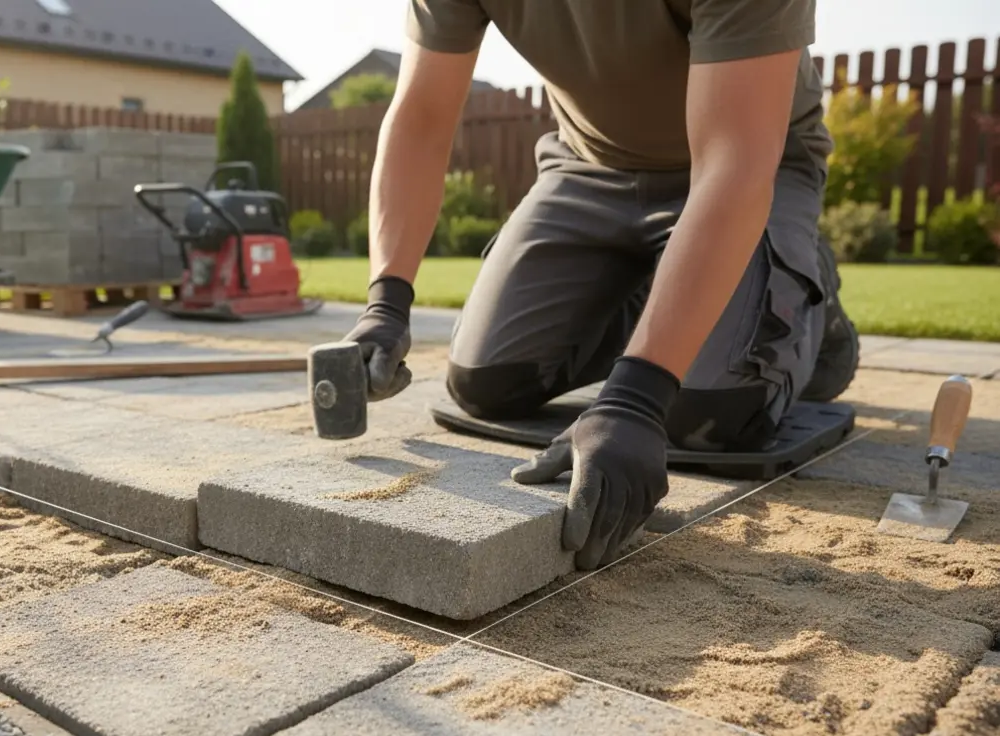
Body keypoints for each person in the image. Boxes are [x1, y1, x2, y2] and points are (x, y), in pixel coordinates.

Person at [340, 0, 859, 571]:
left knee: (705, 414)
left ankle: (802, 287)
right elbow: (420, 119)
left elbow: (733, 160)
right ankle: (672, 294)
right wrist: (386, 300)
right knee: (487, 384)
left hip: (752, 163)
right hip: (588, 169)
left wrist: (636, 397)